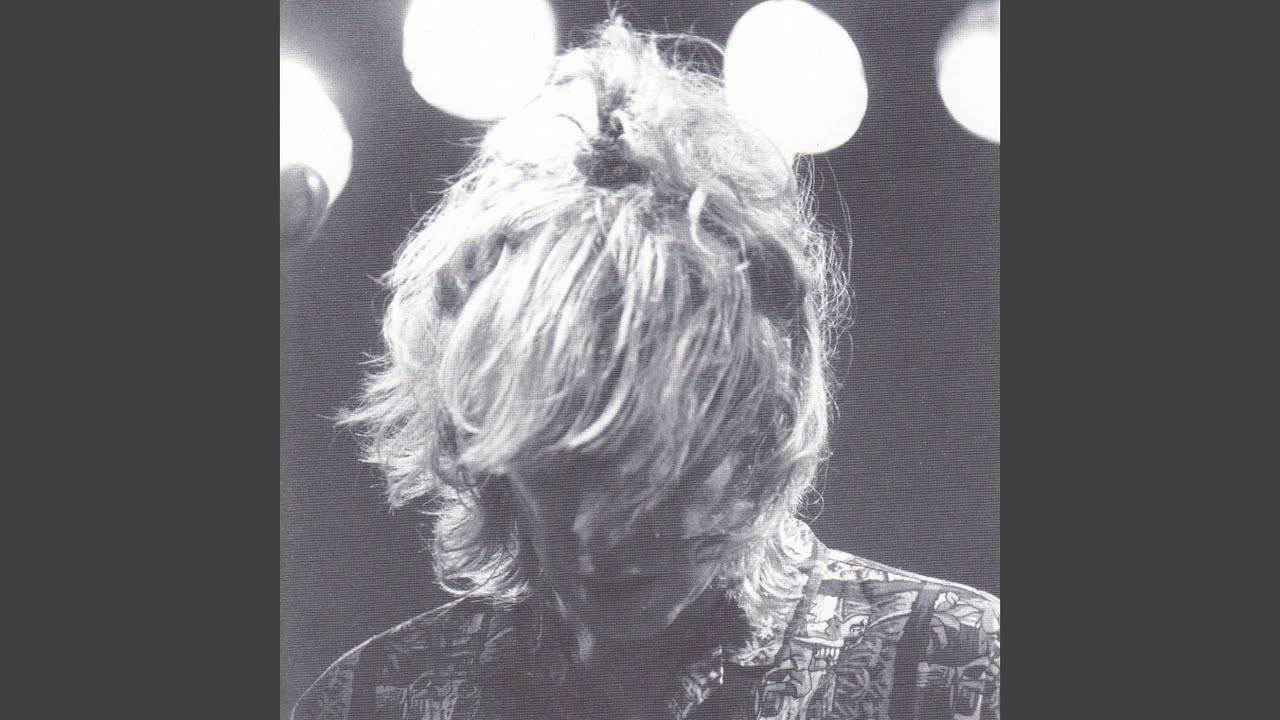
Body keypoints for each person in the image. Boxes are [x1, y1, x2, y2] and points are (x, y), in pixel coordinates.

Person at [292, 18, 999, 720]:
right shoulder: (372, 699)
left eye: (655, 474)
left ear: (766, 425)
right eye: (562, 470)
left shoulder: (963, 671)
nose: (599, 535)